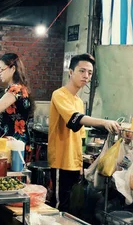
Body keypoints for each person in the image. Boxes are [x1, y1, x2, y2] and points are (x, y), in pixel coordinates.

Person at [48, 53, 120, 211]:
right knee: (59, 206)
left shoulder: (79, 101)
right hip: (61, 160)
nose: (86, 76)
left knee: (72, 207)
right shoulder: (59, 94)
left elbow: (79, 135)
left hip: (74, 162)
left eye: (90, 73)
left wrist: (80, 165)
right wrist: (103, 122)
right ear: (71, 72)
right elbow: (75, 118)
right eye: (82, 71)